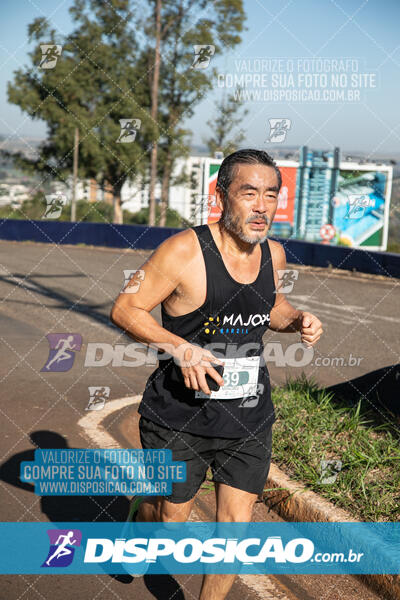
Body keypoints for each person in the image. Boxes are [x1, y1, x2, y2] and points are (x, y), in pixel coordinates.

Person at [110, 149, 323, 599]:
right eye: (249, 193)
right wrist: (179, 348)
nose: (262, 206)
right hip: (179, 415)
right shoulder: (183, 250)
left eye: (271, 195)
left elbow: (272, 308)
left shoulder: (275, 255)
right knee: (171, 521)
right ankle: (141, 519)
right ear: (221, 195)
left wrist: (297, 318)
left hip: (247, 415)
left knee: (233, 532)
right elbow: (125, 308)